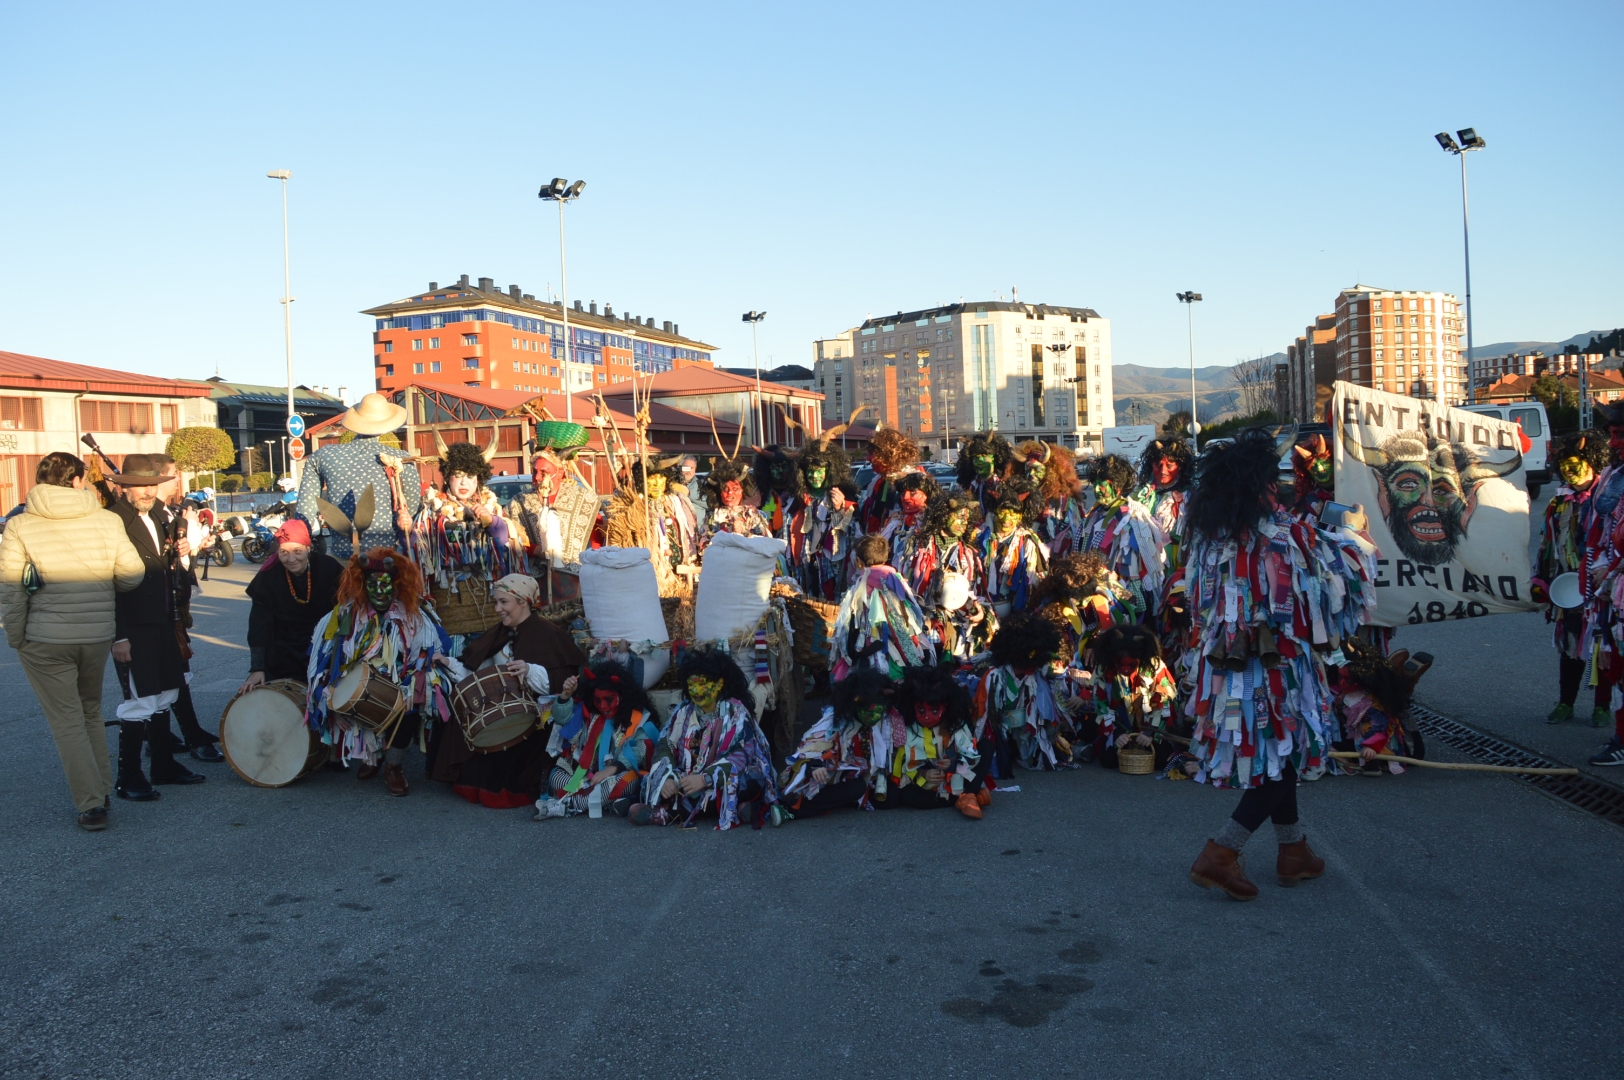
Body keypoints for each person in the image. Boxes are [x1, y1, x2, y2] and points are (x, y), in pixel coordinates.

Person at [1182, 429, 1377, 900]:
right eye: (1274, 481)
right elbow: (1344, 578)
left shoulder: (1207, 539)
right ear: (1262, 485)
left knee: (1276, 750)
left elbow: (1197, 601)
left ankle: (1294, 852)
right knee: (1284, 751)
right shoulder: (1287, 534)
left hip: (1226, 661)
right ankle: (1220, 853)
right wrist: (1357, 533)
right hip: (1277, 663)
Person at [0, 452, 145, 830]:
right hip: (96, 634)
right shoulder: (107, 520)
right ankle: (100, 788)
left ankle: (91, 804)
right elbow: (131, 574)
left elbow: (12, 589)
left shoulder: (20, 525)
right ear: (80, 480)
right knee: (90, 711)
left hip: (44, 638)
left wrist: (16, 637)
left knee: (66, 721)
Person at [306, 549, 453, 796]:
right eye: (373, 585)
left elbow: (437, 649)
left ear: (397, 585)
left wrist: (418, 681)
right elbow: (323, 654)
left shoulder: (416, 616)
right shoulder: (345, 615)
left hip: (403, 683)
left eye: (386, 585)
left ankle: (394, 766)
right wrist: (330, 693)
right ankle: (371, 757)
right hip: (359, 682)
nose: (380, 592)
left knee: (409, 708)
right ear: (363, 586)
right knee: (357, 697)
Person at [434, 573, 586, 808]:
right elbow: (477, 670)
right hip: (498, 709)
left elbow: (562, 679)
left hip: (536, 720)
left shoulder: (549, 634)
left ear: (523, 601)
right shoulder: (500, 633)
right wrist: (448, 663)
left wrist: (530, 670)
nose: (498, 609)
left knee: (503, 762)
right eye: (496, 602)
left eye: (503, 602)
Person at [107, 454, 206, 798]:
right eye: (138, 486)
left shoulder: (158, 518)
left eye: (151, 485)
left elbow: (170, 572)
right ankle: (129, 777)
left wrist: (181, 553)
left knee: (166, 693)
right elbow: (106, 582)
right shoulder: (112, 521)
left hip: (164, 620)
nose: (147, 491)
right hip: (133, 626)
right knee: (139, 701)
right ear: (122, 488)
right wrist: (118, 636)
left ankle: (163, 765)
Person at [632, 647, 780, 829]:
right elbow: (665, 745)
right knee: (651, 782)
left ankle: (667, 814)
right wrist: (666, 777)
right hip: (688, 778)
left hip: (723, 778)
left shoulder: (736, 713)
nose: (696, 691)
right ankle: (739, 810)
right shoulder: (683, 712)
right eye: (691, 685)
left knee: (745, 785)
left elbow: (743, 754)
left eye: (702, 684)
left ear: (719, 684)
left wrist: (705, 779)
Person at [1533, 432, 1612, 726]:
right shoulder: (1559, 502)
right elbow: (1547, 545)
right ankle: (1566, 702)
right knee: (1570, 646)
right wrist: (1541, 579)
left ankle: (1602, 707)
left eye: (1574, 462)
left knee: (1601, 646)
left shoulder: (1607, 500)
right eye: (1563, 464)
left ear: (1592, 462)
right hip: (1568, 588)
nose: (1569, 469)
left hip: (1602, 589)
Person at [152, 453, 223, 762]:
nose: (177, 480)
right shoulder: (151, 516)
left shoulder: (167, 512)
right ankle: (179, 736)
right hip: (157, 608)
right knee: (168, 675)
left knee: (176, 672)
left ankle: (176, 733)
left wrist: (192, 548)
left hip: (174, 605)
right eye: (172, 474)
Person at [296, 392, 421, 559]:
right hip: (385, 559)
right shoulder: (400, 458)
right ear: (387, 424)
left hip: (341, 558)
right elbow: (411, 509)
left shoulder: (323, 455)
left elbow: (304, 510)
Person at [535, 659, 661, 819]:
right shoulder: (589, 713)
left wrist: (613, 768)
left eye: (609, 699)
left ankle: (569, 805)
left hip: (614, 776)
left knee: (630, 781)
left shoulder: (637, 718)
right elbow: (562, 719)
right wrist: (566, 695)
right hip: (584, 776)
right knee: (556, 775)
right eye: (598, 700)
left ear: (622, 696)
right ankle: (605, 802)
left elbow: (643, 747)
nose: (603, 706)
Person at [241, 519, 344, 691]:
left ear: (308, 548)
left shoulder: (329, 568)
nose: (290, 559)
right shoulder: (268, 576)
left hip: (324, 650)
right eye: (283, 552)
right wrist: (257, 668)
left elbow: (350, 605)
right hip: (282, 653)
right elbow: (259, 624)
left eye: (297, 551)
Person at [876, 663, 987, 819]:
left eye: (934, 710)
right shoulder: (905, 728)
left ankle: (968, 794)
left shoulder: (955, 725)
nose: (927, 717)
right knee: (905, 795)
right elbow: (900, 764)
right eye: (921, 710)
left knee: (987, 747)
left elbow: (971, 754)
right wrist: (923, 773)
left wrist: (954, 764)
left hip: (956, 778)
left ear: (945, 706)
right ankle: (970, 794)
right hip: (926, 785)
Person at [778, 666, 887, 817]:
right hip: (819, 778)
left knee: (880, 793)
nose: (875, 717)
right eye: (870, 712)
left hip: (846, 776)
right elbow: (808, 746)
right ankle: (793, 809)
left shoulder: (875, 724)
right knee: (857, 788)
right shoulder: (835, 721)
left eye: (879, 712)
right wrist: (815, 765)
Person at [414, 435, 516, 594]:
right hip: (447, 592)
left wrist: (491, 522)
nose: (464, 482)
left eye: (470, 476)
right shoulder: (432, 509)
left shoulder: (491, 507)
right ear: (448, 477)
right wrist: (405, 530)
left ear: (479, 479)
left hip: (485, 590)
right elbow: (416, 547)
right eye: (458, 475)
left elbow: (506, 545)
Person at [973, 612, 1069, 773]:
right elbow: (984, 717)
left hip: (1019, 726)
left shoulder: (1036, 676)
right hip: (995, 725)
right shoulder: (995, 676)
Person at [830, 535, 935, 680]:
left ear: (859, 562)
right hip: (903, 639)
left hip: (872, 642)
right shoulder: (895, 577)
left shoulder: (862, 582)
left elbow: (851, 617)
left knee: (876, 677)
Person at [1076, 454, 1168, 617]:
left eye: (1102, 485)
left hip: (1118, 600)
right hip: (1090, 592)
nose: (1096, 490)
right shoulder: (1093, 516)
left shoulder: (1129, 519)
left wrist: (1108, 589)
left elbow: (1135, 597)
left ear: (1118, 487)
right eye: (1095, 484)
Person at [1085, 624, 1179, 772]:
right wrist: (1116, 734)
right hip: (1119, 725)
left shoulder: (1155, 667)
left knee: (1162, 761)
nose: (1126, 670)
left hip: (1148, 726)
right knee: (1108, 759)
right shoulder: (1103, 670)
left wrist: (1150, 732)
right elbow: (1101, 706)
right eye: (1120, 664)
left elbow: (1165, 701)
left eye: (1132, 664)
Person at [974, 491, 1048, 615]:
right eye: (1003, 512)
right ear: (995, 513)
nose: (1007, 519)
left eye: (1013, 514)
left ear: (1020, 517)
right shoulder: (980, 536)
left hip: (1012, 605)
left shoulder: (1027, 542)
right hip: (982, 605)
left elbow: (1036, 578)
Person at [856, 427, 925, 534]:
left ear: (889, 455)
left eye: (873, 454)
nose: (868, 458)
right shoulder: (879, 481)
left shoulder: (914, 481)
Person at [699, 455, 770, 545]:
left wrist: (743, 533)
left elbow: (765, 542)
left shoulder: (752, 514)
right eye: (725, 489)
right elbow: (703, 542)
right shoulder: (712, 517)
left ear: (742, 490)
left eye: (735, 489)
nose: (730, 493)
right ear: (719, 493)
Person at [955, 431, 1015, 516]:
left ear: (995, 458)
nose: (980, 460)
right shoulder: (967, 486)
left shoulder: (1004, 484)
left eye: (984, 455)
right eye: (976, 457)